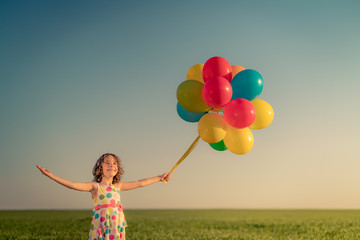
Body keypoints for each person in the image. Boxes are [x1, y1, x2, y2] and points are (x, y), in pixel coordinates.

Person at [37, 153, 171, 240]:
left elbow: (140, 183)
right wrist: (51, 176)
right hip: (100, 229)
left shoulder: (118, 186)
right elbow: (72, 185)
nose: (111, 165)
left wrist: (160, 177)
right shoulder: (95, 187)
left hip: (115, 229)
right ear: (100, 167)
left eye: (114, 163)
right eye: (107, 162)